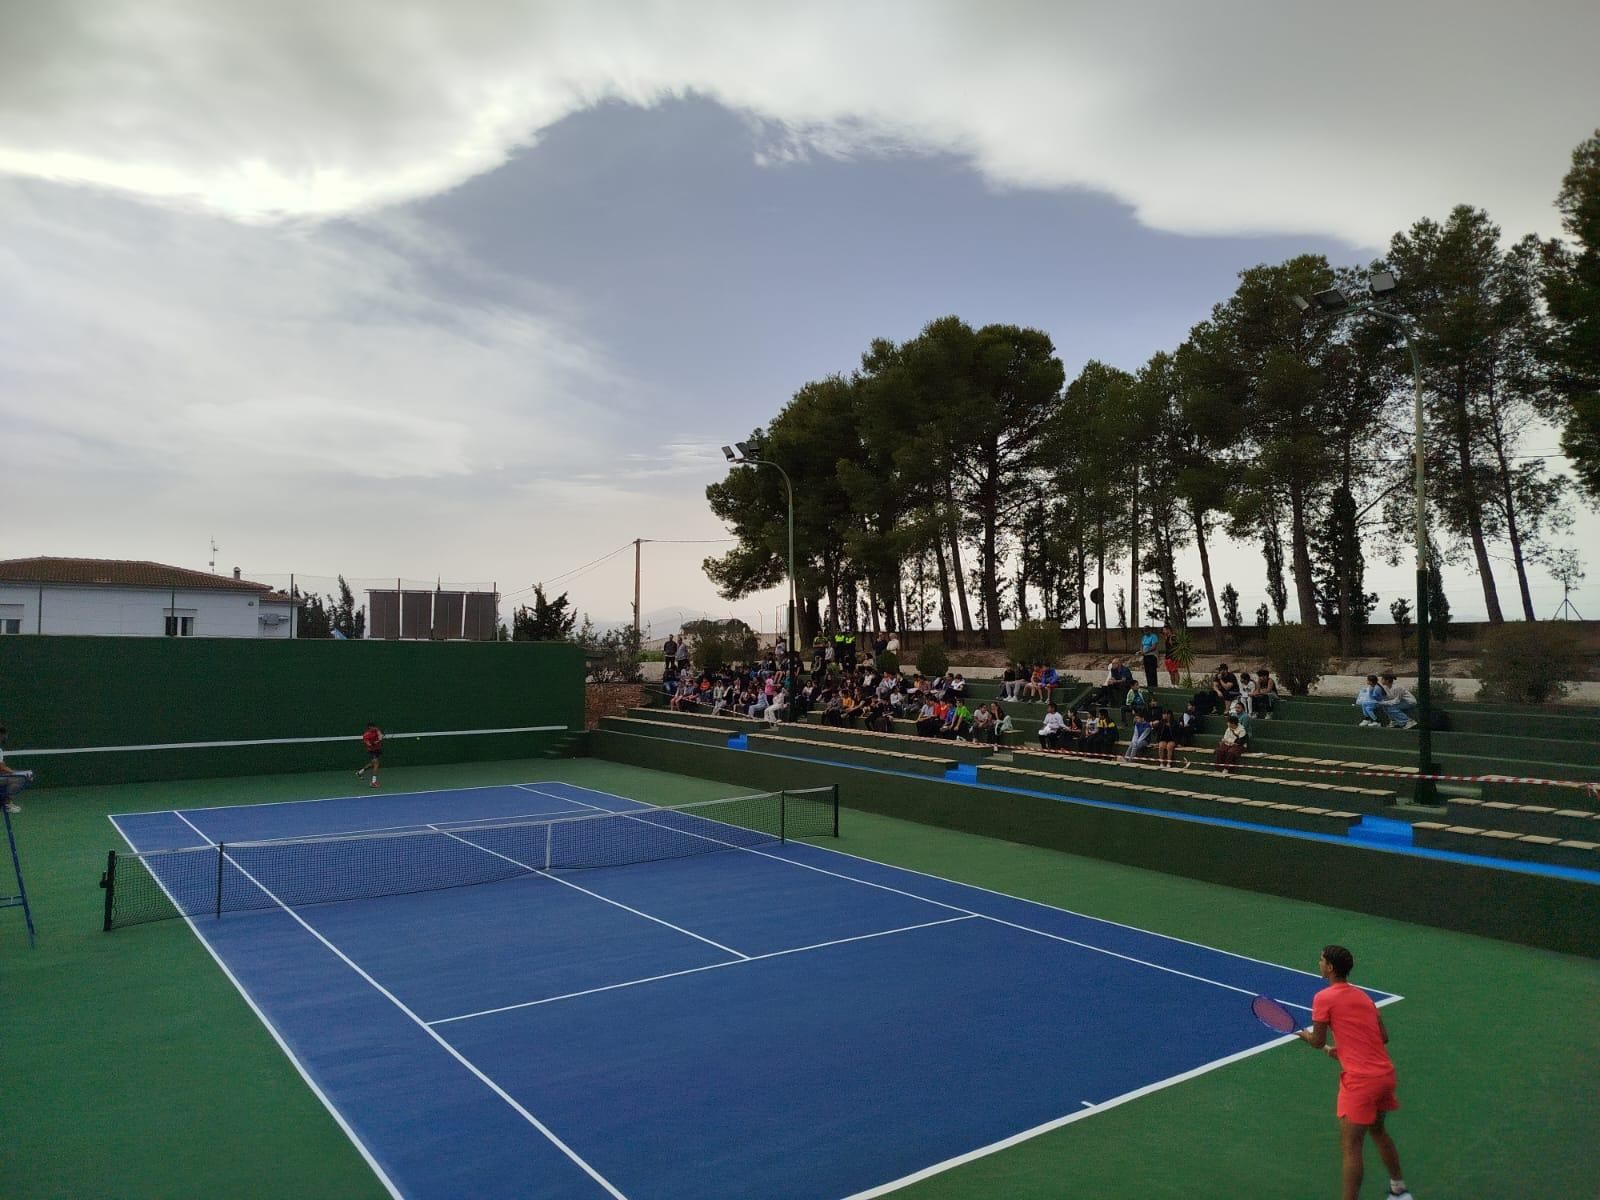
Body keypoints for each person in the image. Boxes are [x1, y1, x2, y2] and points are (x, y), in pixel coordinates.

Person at [1297, 945, 1414, 1200]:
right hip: (1384, 1076)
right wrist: (1340, 1051)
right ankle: (1399, 1190)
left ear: (1329, 967)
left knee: (1351, 1148)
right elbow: (1381, 1036)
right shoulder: (1363, 997)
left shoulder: (1323, 998)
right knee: (1378, 1130)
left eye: (1321, 960)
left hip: (1360, 1083)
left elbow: (1317, 1041)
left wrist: (1305, 1036)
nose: (1319, 963)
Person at [356, 721, 383, 788]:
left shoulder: (376, 730)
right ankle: (373, 782)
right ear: (369, 727)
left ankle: (359, 772)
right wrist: (374, 743)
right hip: (371, 750)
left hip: (377, 750)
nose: (375, 728)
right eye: (373, 727)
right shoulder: (366, 735)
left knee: (372, 764)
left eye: (375, 727)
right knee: (376, 764)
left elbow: (380, 735)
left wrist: (379, 739)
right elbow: (368, 744)